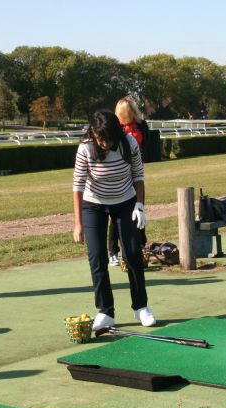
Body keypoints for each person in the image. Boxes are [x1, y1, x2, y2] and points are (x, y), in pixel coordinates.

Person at [72, 110, 155, 331]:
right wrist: (78, 224)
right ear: (93, 133)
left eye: (108, 139)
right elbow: (78, 187)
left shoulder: (128, 143)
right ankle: (105, 312)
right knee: (97, 258)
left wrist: (140, 205)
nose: (105, 143)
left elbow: (138, 176)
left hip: (125, 201)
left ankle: (141, 307)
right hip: (93, 204)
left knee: (132, 254)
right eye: (100, 139)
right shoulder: (85, 148)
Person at [107, 96, 149, 266]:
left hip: (136, 173)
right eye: (124, 113)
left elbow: (145, 145)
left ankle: (140, 245)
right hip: (119, 174)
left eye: (130, 112)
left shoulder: (141, 126)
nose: (127, 115)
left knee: (139, 209)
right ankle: (113, 251)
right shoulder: (114, 128)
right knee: (115, 214)